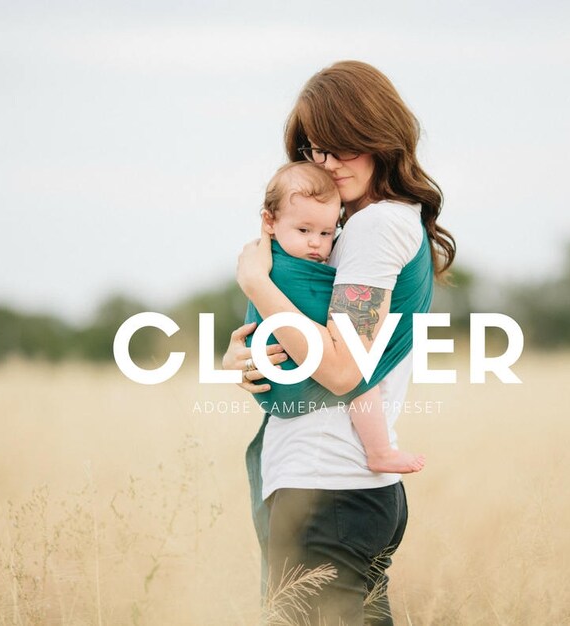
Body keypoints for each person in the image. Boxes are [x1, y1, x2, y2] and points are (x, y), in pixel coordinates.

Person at [223, 60, 455, 625]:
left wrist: (256, 283)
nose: (327, 163)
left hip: (329, 485)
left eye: (341, 146)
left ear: (377, 135)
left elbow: (345, 369)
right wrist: (247, 357)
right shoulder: (377, 225)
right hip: (342, 487)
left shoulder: (376, 227)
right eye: (314, 151)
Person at [250, 160, 425, 474]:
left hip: (316, 461)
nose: (316, 242)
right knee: (361, 377)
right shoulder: (285, 270)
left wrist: (254, 282)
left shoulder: (262, 263)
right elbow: (344, 367)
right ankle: (380, 451)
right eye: (304, 231)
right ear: (270, 221)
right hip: (315, 458)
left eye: (326, 232)